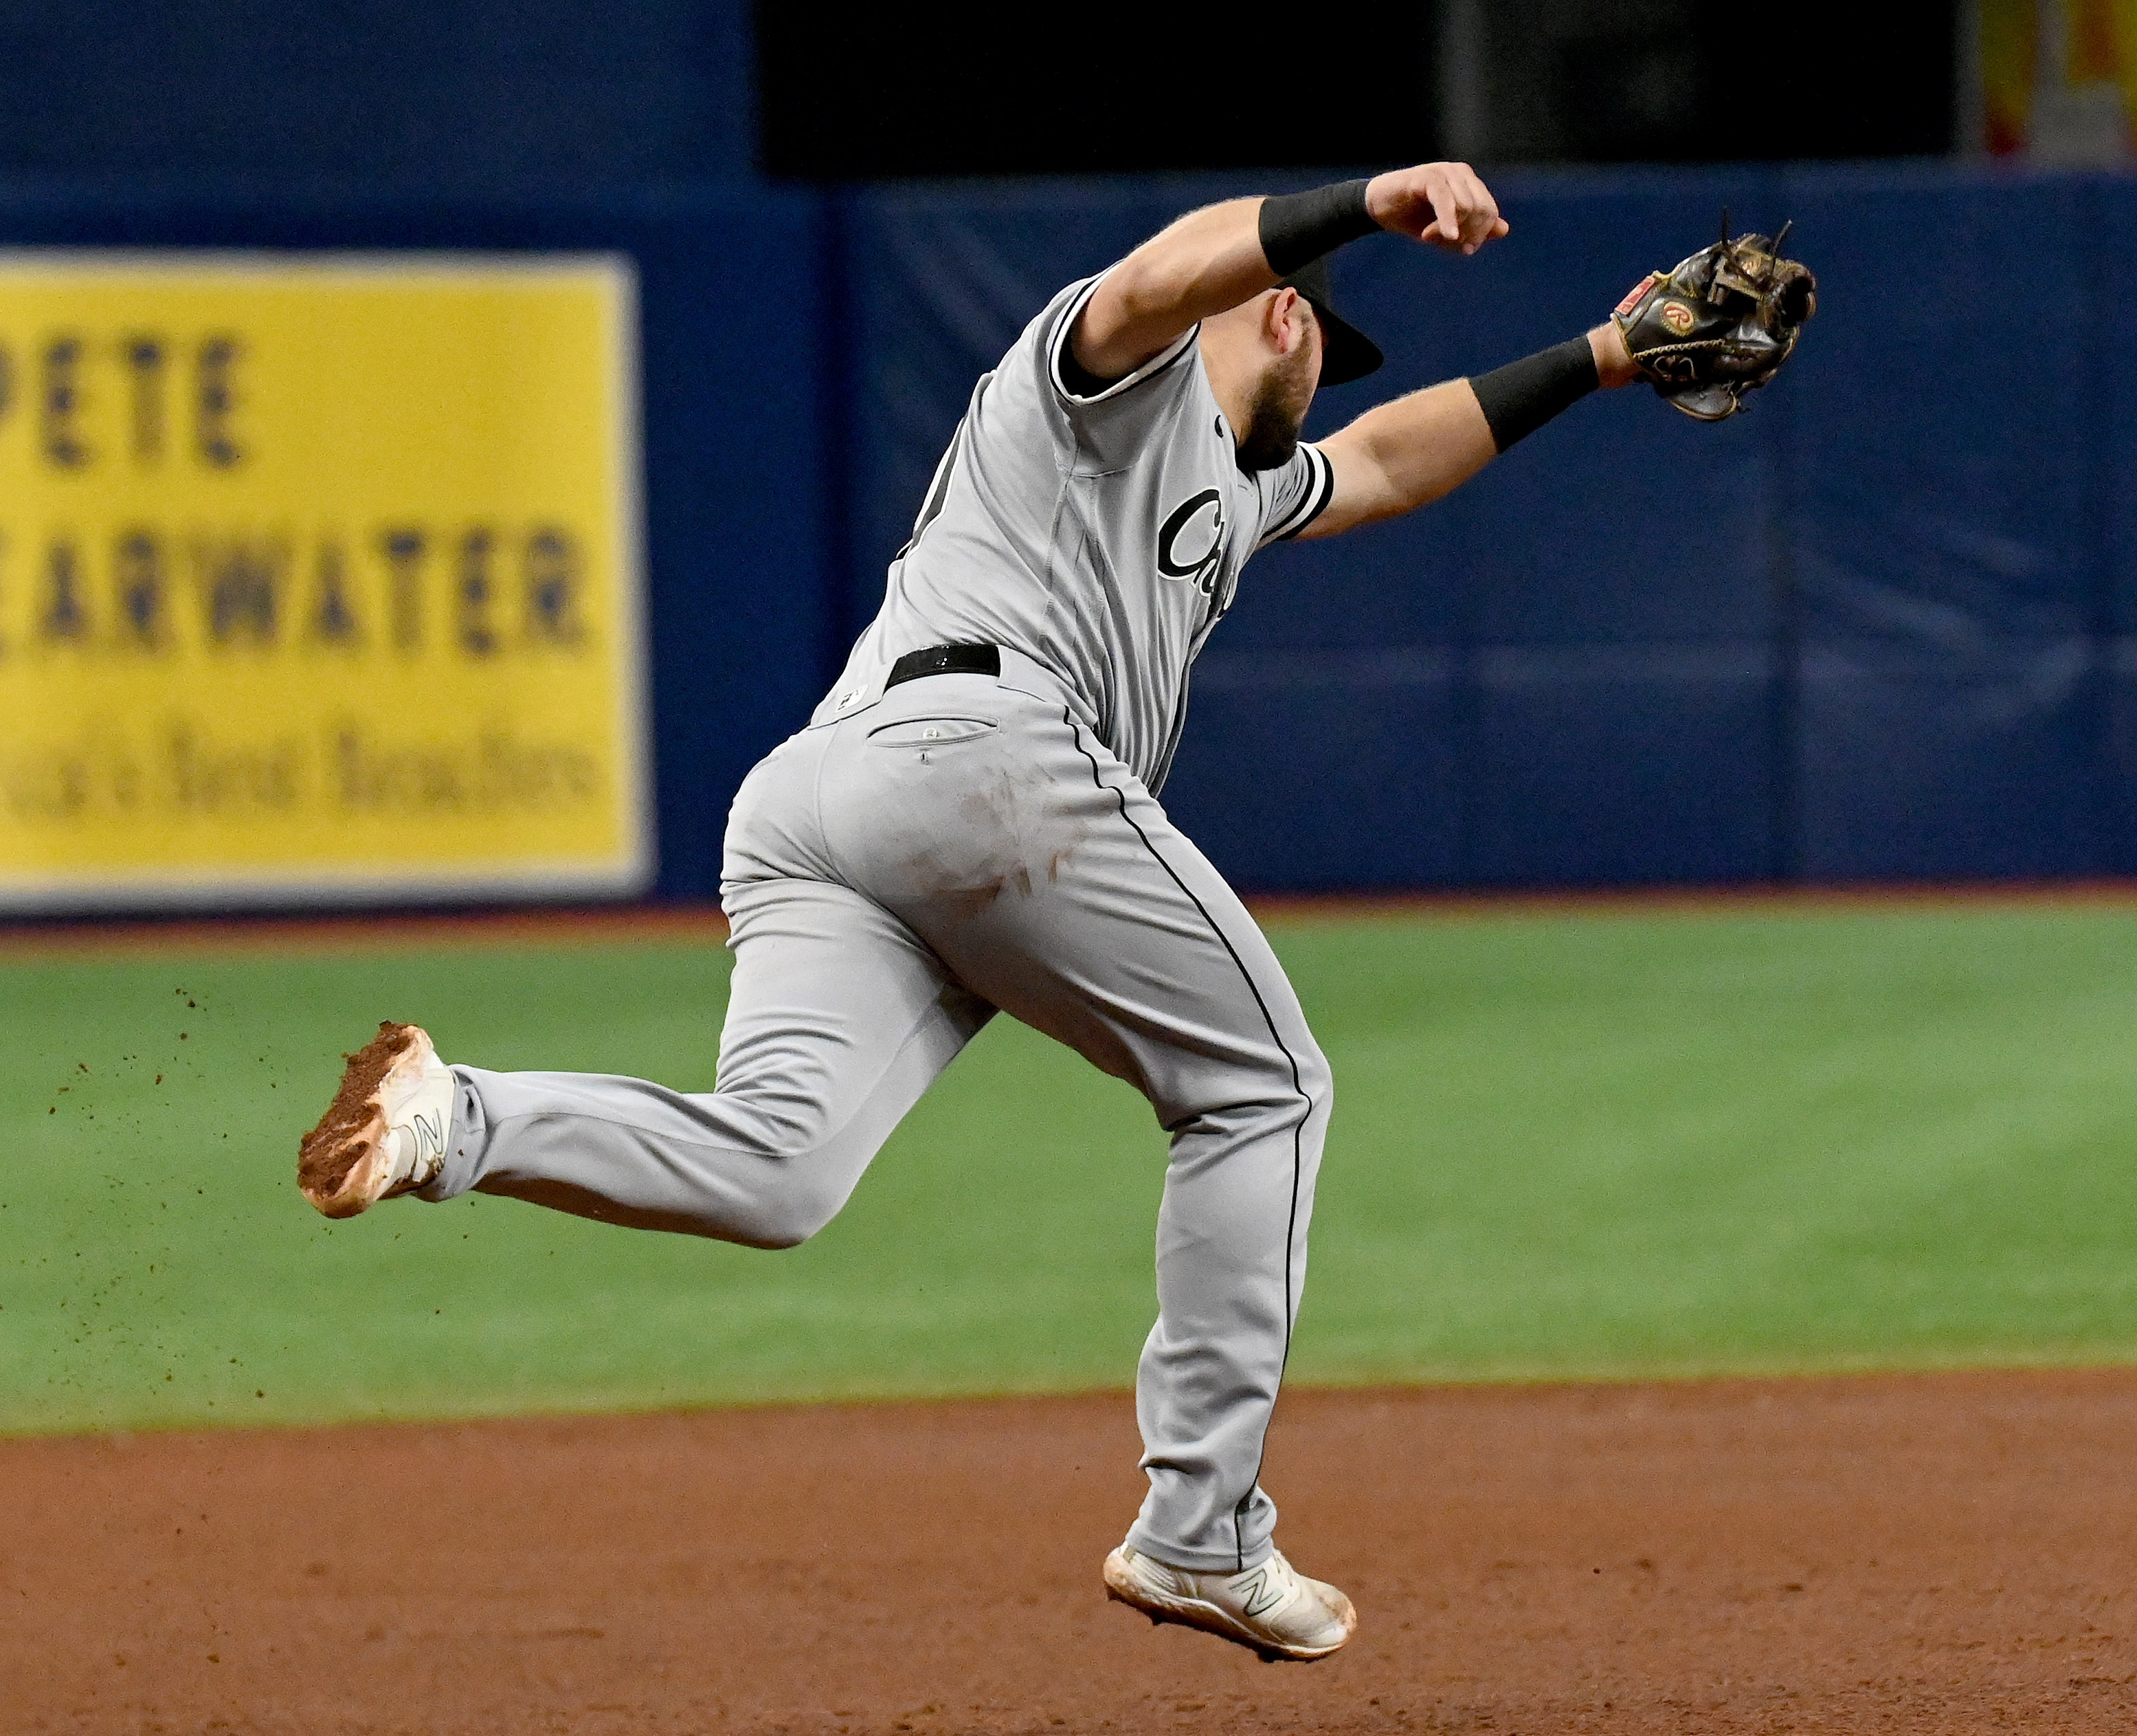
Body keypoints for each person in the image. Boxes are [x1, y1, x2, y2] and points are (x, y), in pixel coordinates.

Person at [298, 162, 1640, 1664]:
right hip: (980, 763)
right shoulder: (1103, 385)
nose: (1331, 383)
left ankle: (449, 1119)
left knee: (777, 1172)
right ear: (1281, 318)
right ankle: (1201, 1527)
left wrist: (1600, 357)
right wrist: (1358, 202)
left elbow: (1391, 460)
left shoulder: (1228, 493)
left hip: (827, 804)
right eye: (1330, 345)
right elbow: (1152, 281)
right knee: (1265, 1086)